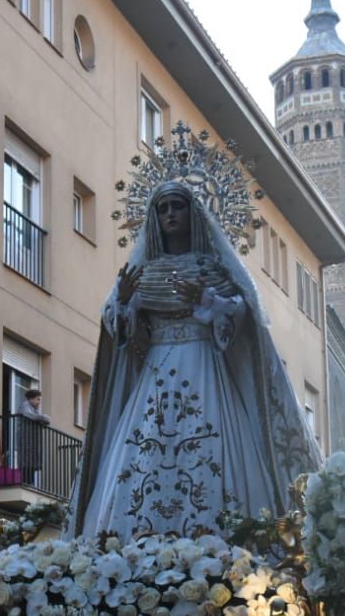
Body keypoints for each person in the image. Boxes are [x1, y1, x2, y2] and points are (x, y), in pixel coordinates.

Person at [66, 180, 320, 540]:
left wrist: (210, 299)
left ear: (193, 213)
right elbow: (121, 333)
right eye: (163, 208)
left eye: (177, 206)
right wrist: (122, 303)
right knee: (143, 461)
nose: (170, 214)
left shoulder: (215, 269)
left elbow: (241, 318)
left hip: (205, 371)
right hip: (154, 377)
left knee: (210, 455)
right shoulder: (143, 273)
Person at [15, 385, 52, 488]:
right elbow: (31, 416)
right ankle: (26, 484)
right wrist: (44, 418)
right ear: (31, 399)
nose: (39, 402)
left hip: (32, 442)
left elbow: (41, 421)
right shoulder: (25, 406)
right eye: (38, 399)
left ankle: (30, 484)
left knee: (31, 464)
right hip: (25, 440)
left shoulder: (34, 409)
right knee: (26, 463)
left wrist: (43, 420)